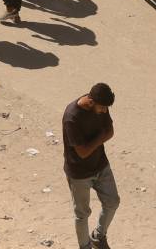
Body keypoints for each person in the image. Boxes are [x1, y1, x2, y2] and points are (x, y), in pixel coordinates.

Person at [63, 83, 119, 249]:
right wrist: (101, 137)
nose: (104, 111)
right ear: (91, 101)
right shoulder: (72, 117)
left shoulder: (101, 105)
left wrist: (97, 139)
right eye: (102, 108)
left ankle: (98, 236)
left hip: (101, 164)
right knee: (82, 214)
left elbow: (110, 131)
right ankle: (85, 246)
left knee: (112, 201)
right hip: (79, 173)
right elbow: (82, 153)